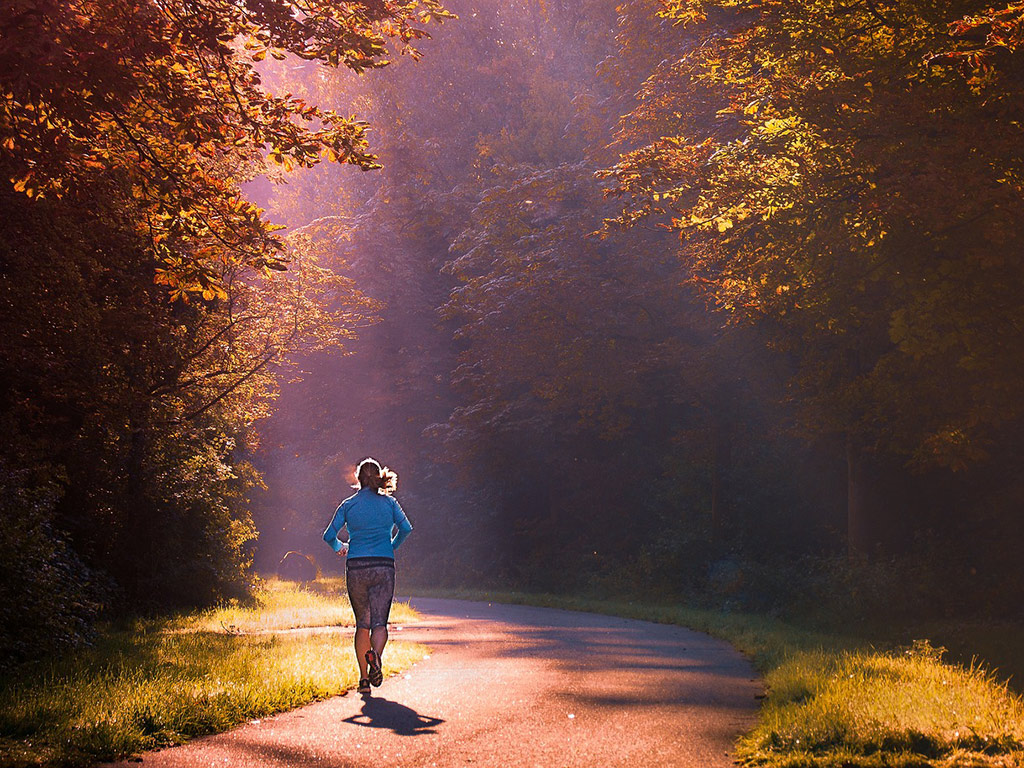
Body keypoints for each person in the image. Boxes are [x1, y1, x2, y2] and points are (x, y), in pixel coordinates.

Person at [323, 457, 413, 695]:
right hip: (383, 565)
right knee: (380, 623)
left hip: (357, 566)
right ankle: (376, 658)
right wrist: (392, 544)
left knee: (362, 624)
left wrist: (340, 546)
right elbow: (407, 529)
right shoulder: (390, 504)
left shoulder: (348, 505)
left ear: (358, 478)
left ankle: (364, 680)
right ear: (378, 478)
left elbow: (328, 535)